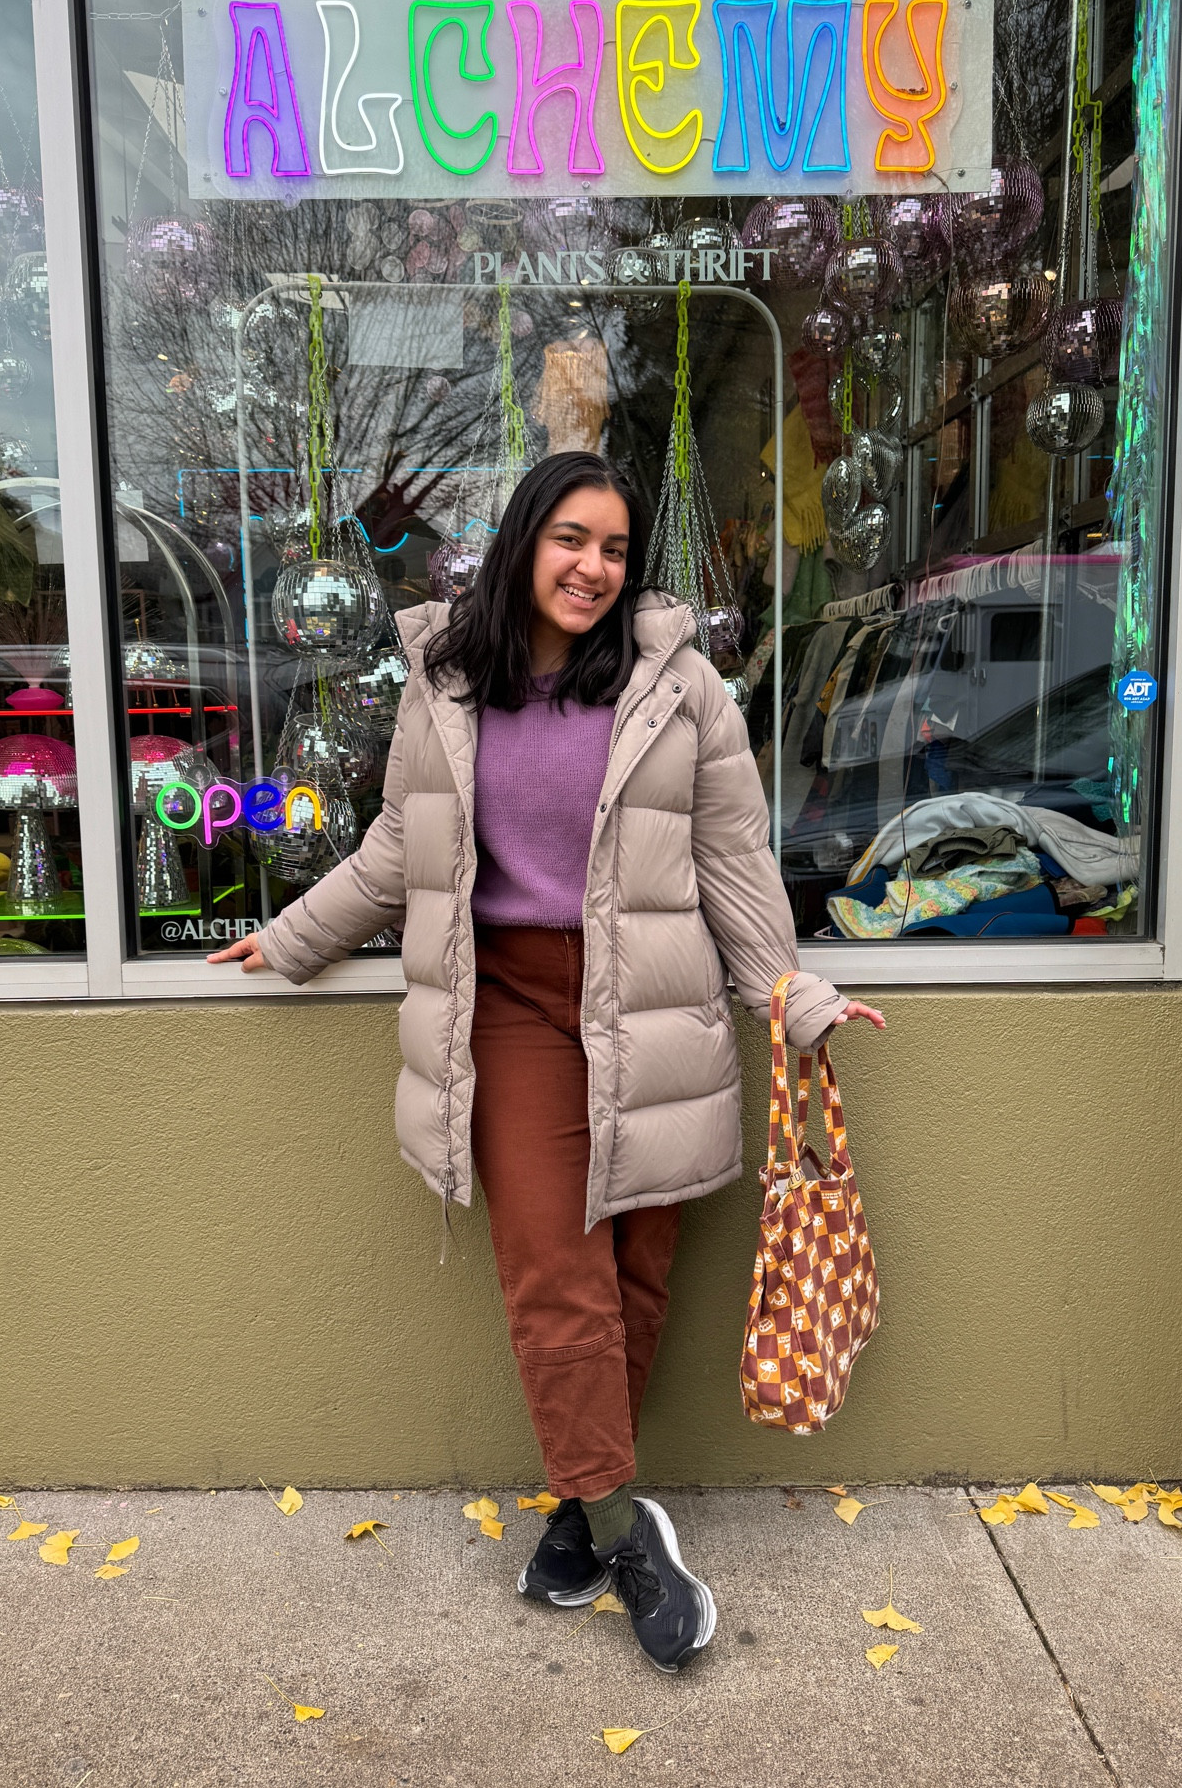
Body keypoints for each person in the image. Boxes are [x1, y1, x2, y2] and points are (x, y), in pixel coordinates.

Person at [210, 452, 885, 1673]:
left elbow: (735, 862)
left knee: (633, 1270)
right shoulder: (448, 685)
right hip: (513, 1001)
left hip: (654, 1004)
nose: (593, 567)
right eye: (572, 538)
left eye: (617, 549)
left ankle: (579, 1508)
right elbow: (390, 852)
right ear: (525, 540)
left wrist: (792, 993)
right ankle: (632, 1531)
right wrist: (293, 937)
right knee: (550, 1266)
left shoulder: (683, 691)